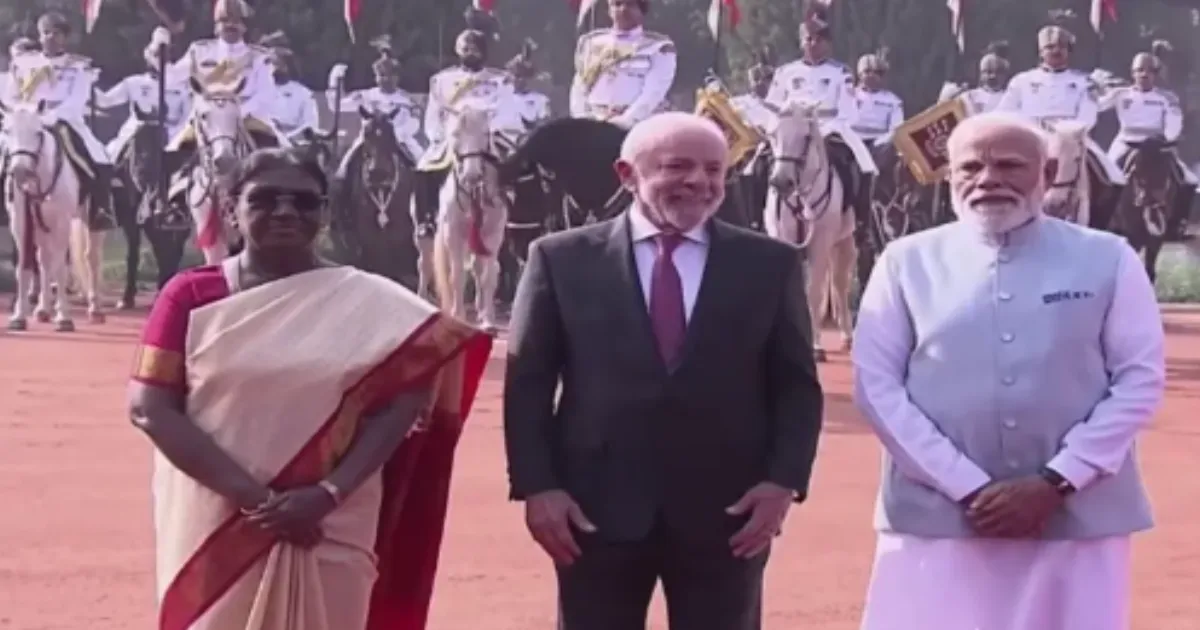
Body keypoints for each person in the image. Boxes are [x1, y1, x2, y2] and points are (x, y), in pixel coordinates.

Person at [128, 148, 492, 630]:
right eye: (265, 200)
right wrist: (257, 501)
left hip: (331, 518)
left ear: (323, 212)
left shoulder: (369, 302)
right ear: (233, 208)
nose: (285, 211)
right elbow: (151, 408)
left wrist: (326, 494)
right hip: (218, 516)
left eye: (303, 201)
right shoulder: (191, 296)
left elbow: (404, 402)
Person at [504, 112, 824, 630]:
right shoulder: (560, 260)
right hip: (593, 510)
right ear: (627, 174)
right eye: (678, 166)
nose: (699, 181)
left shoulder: (771, 264)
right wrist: (537, 486)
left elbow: (795, 387)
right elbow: (529, 386)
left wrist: (783, 481)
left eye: (714, 169)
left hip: (729, 513)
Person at [852, 112, 1165, 630]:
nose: (987, 179)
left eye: (1009, 165)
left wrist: (1057, 481)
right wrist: (967, 487)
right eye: (970, 167)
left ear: (1048, 170)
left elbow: (1138, 380)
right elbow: (876, 387)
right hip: (938, 517)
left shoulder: (1109, 258)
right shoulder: (905, 262)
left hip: (1076, 516)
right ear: (949, 175)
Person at [4, 12, 116, 229]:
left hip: (63, 121)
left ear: (65, 37)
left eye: (56, 33)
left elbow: (77, 100)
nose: (51, 37)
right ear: (40, 36)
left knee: (97, 156)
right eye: (46, 33)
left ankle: (101, 207)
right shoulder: (24, 63)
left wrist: (49, 117)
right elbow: (12, 95)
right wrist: (27, 115)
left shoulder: (78, 66)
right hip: (26, 122)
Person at [767, 6, 876, 219]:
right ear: (801, 42)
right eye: (808, 39)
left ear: (828, 44)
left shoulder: (840, 73)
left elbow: (847, 111)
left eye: (819, 39)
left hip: (828, 129)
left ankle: (858, 219)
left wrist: (826, 130)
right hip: (791, 132)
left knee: (862, 166)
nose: (813, 44)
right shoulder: (785, 72)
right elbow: (773, 106)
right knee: (755, 165)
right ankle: (756, 218)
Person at [997, 24, 1126, 194]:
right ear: (1041, 51)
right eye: (1050, 47)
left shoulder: (1083, 81)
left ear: (1068, 51)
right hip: (1031, 136)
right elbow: (1005, 111)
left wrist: (1067, 132)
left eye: (1061, 47)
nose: (1056, 51)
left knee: (1112, 176)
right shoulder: (1022, 80)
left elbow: (1088, 115)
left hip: (1071, 137)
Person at [413, 22, 512, 239]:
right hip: (454, 137)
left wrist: (490, 133)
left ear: (483, 51)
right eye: (465, 48)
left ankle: (516, 219)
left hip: (488, 136)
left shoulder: (499, 80)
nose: (470, 53)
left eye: (474, 48)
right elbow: (433, 115)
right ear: (458, 51)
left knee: (517, 166)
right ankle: (427, 219)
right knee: (423, 168)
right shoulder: (441, 80)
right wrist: (441, 137)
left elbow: (505, 111)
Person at [1103, 43, 1194, 240]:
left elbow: (1174, 122)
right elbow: (1098, 106)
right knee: (1108, 177)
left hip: (1157, 144)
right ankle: (1107, 222)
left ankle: (1177, 224)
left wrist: (1167, 138)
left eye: (1149, 71)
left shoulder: (1166, 97)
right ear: (1132, 73)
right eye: (1139, 70)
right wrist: (1093, 88)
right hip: (1126, 141)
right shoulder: (1120, 94)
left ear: (1156, 74)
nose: (1144, 75)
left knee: (1189, 180)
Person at [164, 0, 283, 152]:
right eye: (224, 21)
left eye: (236, 21)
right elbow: (171, 80)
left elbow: (266, 94)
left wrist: (234, 114)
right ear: (216, 26)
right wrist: (159, 55)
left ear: (244, 27)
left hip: (249, 119)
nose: (230, 26)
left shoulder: (258, 57)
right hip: (205, 120)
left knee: (286, 156)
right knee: (172, 155)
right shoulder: (199, 51)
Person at [569, 0, 676, 128]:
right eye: (617, 4)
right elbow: (579, 88)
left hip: (637, 127)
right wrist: (585, 120)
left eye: (630, 4)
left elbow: (653, 93)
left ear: (641, 10)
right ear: (609, 10)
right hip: (594, 124)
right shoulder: (591, 43)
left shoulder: (658, 48)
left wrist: (624, 121)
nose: (623, 9)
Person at [96, 28, 190, 163]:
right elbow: (105, 102)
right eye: (157, 55)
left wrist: (174, 138)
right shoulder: (134, 83)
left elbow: (186, 119)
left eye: (164, 55)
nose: (161, 60)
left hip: (170, 138)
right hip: (136, 136)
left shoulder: (182, 87)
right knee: (109, 158)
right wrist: (88, 83)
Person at [261, 35, 318, 144]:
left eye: (278, 63)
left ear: (287, 65)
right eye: (270, 63)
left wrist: (284, 138)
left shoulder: (303, 94)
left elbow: (310, 126)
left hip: (293, 145)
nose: (273, 68)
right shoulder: (258, 90)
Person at [850, 52, 904, 147]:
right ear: (860, 74)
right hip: (849, 142)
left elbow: (896, 129)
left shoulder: (893, 101)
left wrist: (878, 143)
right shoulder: (848, 95)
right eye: (867, 71)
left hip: (878, 144)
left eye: (877, 72)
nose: (872, 75)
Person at [962, 41, 1010, 114]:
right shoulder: (970, 97)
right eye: (988, 72)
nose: (993, 76)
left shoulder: (1010, 98)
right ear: (981, 74)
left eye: (998, 72)